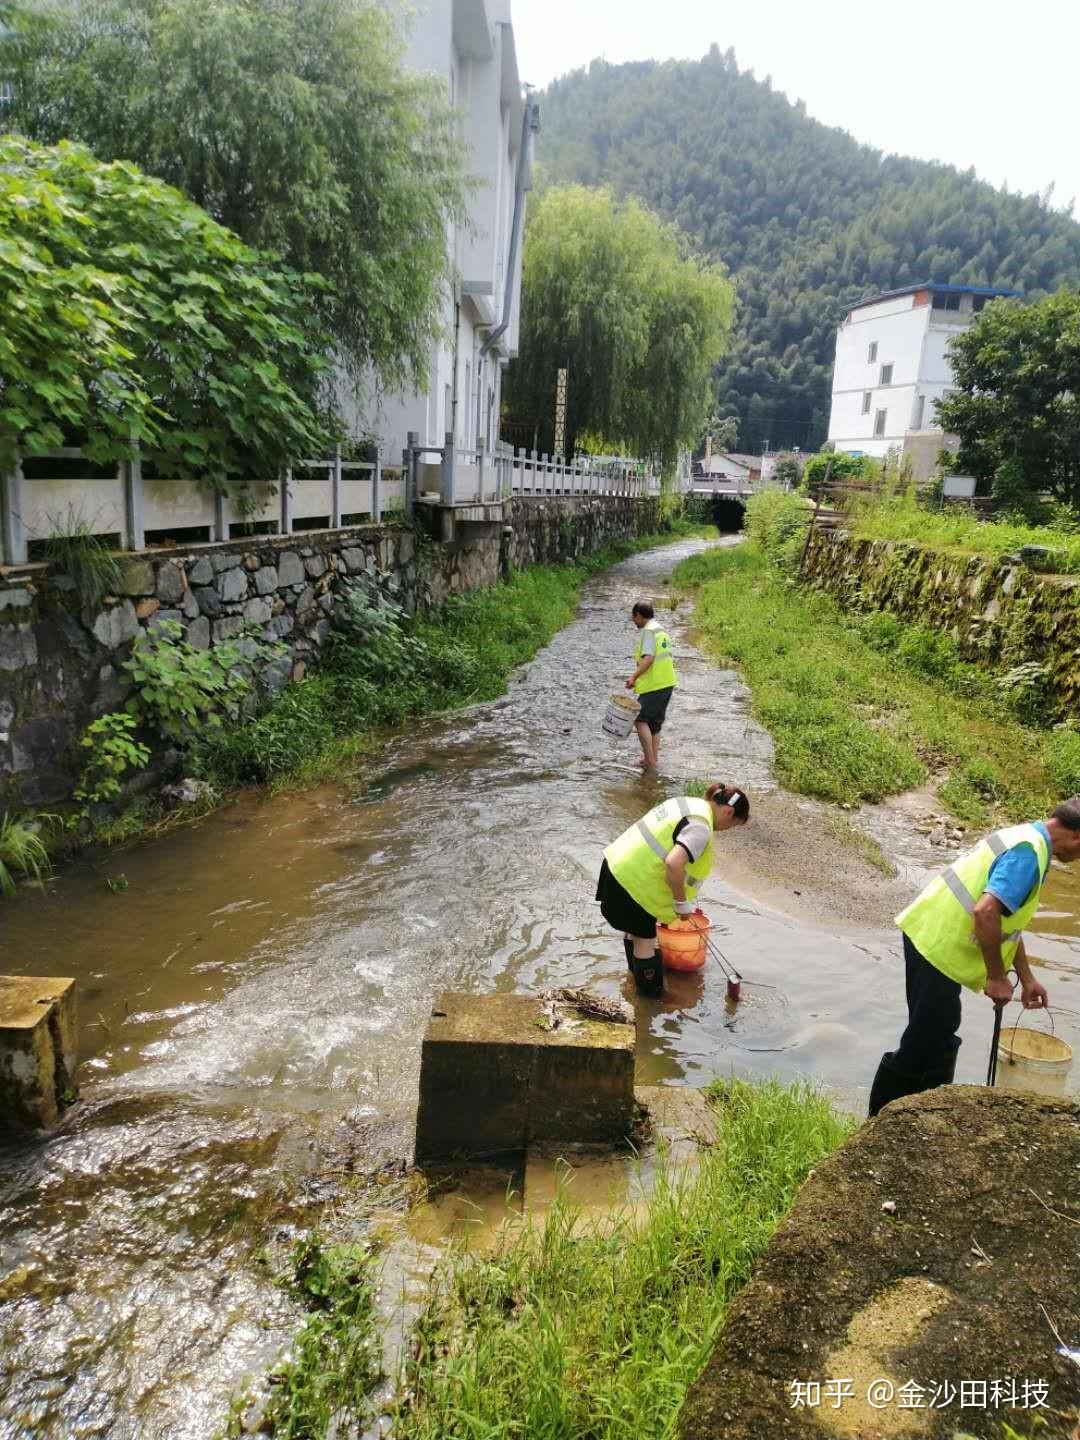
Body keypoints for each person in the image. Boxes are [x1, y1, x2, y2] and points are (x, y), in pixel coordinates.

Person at [868, 797, 1080, 1116]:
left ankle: (930, 1116)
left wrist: (1025, 977)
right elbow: (985, 913)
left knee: (938, 1033)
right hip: (937, 943)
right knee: (926, 1039)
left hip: (932, 934)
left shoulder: (1029, 838)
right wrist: (996, 976)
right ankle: (881, 1123)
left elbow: (1007, 922)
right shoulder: (1028, 855)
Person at [596, 783, 751, 995]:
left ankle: (635, 979)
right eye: (732, 825)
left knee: (635, 932)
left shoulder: (688, 804)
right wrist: (680, 902)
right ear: (729, 811)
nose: (725, 829)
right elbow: (673, 863)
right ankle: (650, 1003)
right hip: (635, 885)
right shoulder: (700, 828)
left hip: (616, 866)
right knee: (645, 941)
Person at [625, 601, 677, 771]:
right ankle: (653, 760)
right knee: (654, 724)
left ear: (638, 615)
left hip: (654, 685)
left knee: (639, 719)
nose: (634, 621)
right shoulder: (660, 630)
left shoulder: (648, 631)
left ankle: (649, 761)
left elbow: (648, 658)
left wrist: (633, 677)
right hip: (667, 683)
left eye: (634, 617)